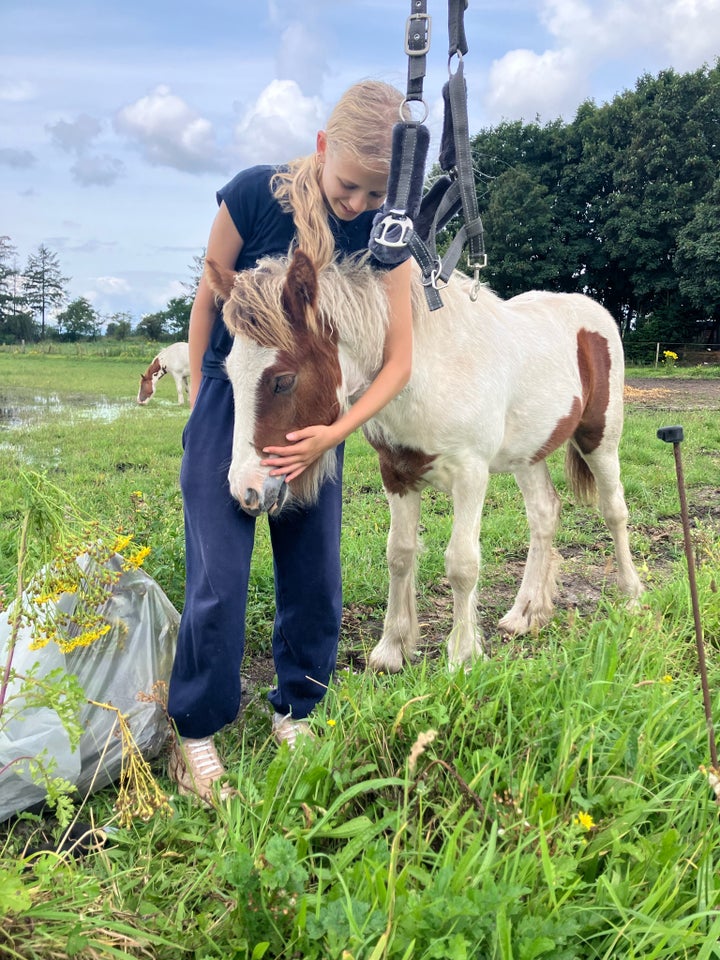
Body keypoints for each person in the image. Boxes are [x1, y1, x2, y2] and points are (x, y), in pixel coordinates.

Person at [166, 80, 414, 803]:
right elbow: (208, 298)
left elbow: (399, 358)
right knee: (219, 574)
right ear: (320, 147)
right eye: (348, 186)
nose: (357, 205)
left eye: (374, 193)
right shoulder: (251, 197)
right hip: (232, 392)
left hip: (313, 412)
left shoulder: (384, 232)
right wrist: (202, 400)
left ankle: (298, 707)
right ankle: (197, 729)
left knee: (314, 574)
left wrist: (332, 434)